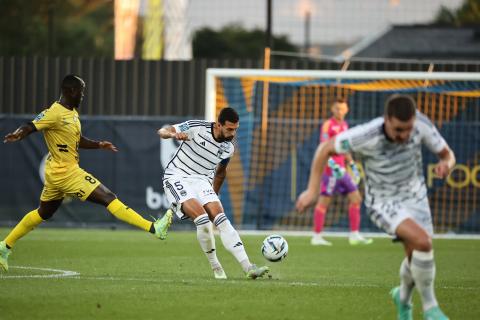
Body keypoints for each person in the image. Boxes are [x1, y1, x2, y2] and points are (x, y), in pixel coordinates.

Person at [296, 94, 453, 320]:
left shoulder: (421, 124)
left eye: (408, 129)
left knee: (415, 252)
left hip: (416, 198)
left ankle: (403, 298)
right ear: (386, 119)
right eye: (399, 130)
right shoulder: (366, 133)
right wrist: (312, 190)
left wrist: (446, 164)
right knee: (422, 242)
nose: (405, 135)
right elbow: (324, 148)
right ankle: (431, 309)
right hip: (383, 201)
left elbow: (448, 155)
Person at [0, 74, 173, 272]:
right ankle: (153, 228)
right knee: (108, 197)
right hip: (65, 173)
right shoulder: (54, 112)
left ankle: (4, 246)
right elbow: (30, 126)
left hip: (56, 173)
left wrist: (99, 144)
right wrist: (18, 133)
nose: (83, 96)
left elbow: (77, 140)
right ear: (70, 91)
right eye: (81, 92)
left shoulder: (72, 113)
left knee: (43, 213)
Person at [158, 107, 269, 280]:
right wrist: (174, 135)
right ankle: (215, 266)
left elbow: (220, 173)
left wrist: (212, 196)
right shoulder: (196, 127)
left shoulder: (228, 148)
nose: (233, 133)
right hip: (177, 176)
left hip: (202, 181)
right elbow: (162, 131)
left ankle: (249, 267)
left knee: (222, 219)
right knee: (202, 220)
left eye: (235, 129)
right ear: (218, 125)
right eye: (229, 129)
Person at [306, 98, 372, 246]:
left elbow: (345, 149)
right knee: (324, 202)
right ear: (332, 109)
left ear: (347, 109)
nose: (340, 111)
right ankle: (316, 237)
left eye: (342, 109)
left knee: (356, 199)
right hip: (330, 171)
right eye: (337, 108)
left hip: (342, 170)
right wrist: (330, 164)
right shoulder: (328, 125)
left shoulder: (345, 125)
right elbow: (323, 148)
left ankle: (354, 235)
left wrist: (352, 164)